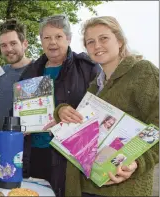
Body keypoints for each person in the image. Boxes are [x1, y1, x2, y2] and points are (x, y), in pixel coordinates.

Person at [56, 16, 159, 197]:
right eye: (90, 42)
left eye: (104, 38)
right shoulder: (96, 84)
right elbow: (82, 124)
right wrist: (61, 111)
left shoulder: (143, 72)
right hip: (87, 185)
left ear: (119, 41)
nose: (97, 46)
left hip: (123, 187)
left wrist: (138, 162)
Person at [19, 14, 100, 197]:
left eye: (58, 36)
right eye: (47, 38)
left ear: (68, 39)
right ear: (41, 41)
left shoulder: (87, 67)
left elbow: (99, 108)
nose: (52, 42)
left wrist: (65, 119)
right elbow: (17, 111)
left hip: (70, 154)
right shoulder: (31, 72)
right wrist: (20, 124)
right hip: (35, 151)